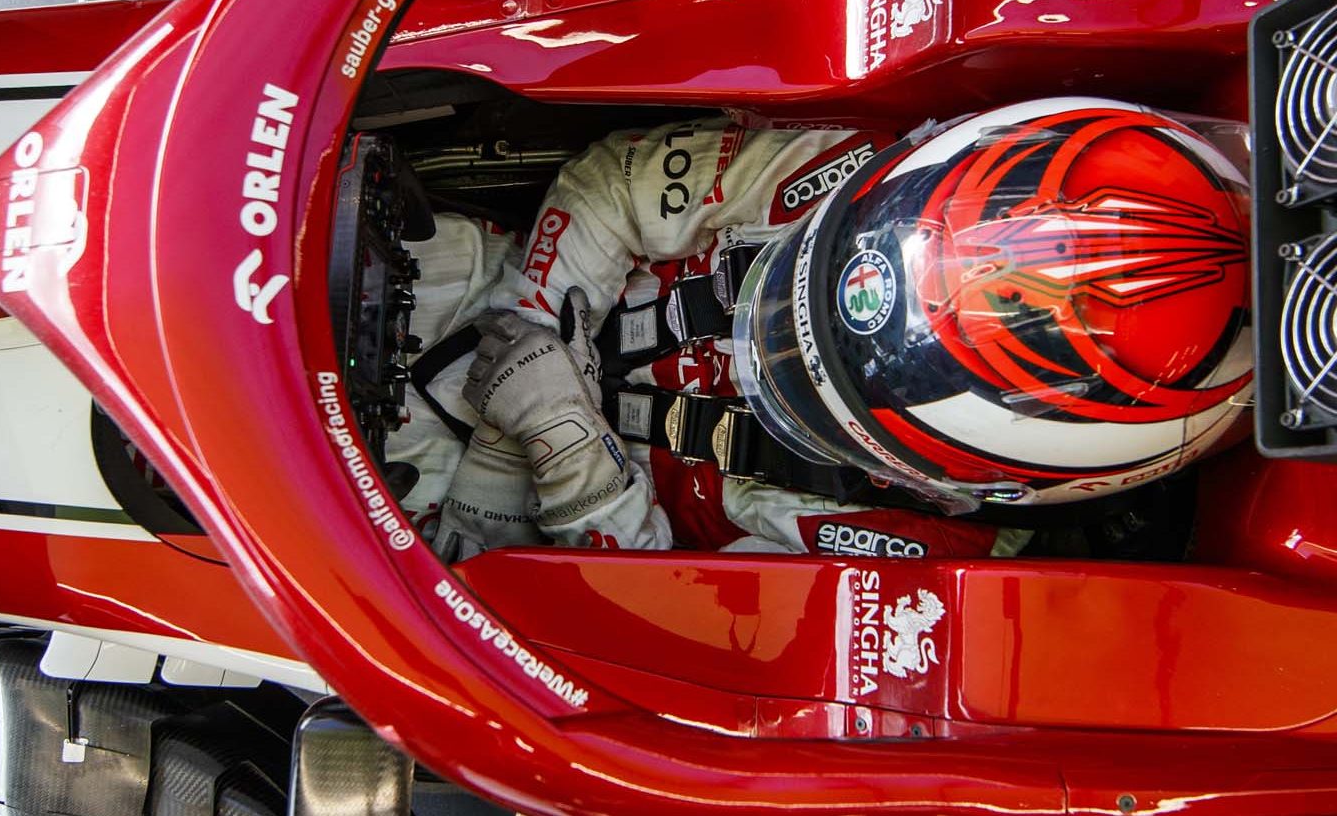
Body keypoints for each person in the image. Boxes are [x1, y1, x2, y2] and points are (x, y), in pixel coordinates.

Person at [389, 99, 1253, 562]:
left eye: (828, 387)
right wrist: (532, 330)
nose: (765, 350)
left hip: (479, 517)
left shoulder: (923, 552)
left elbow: (639, 595)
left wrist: (550, 435)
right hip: (468, 287)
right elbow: (617, 178)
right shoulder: (852, 171)